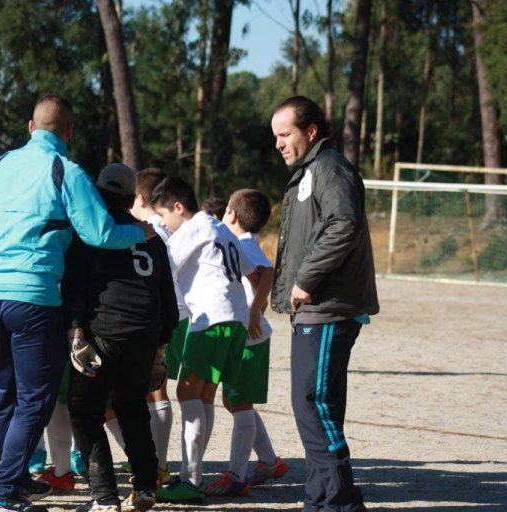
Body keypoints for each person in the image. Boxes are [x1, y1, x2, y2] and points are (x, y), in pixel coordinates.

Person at [0, 95, 156, 512]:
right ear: (69, 133)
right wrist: (140, 234)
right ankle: (3, 498)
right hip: (34, 297)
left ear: (29, 126)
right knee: (37, 400)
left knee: (10, 397)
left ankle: (14, 485)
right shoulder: (66, 170)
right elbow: (100, 233)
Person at [270, 95, 379, 512]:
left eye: (285, 134)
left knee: (312, 401)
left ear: (310, 131)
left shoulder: (329, 168)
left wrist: (304, 279)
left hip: (328, 305)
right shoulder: (310, 170)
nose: (278, 143)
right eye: (275, 136)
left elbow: (344, 225)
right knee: (317, 402)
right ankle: (319, 497)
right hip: (316, 307)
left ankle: (341, 500)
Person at [63, 163, 178, 512]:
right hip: (144, 332)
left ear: (98, 193)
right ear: (131, 198)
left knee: (85, 411)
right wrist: (161, 343)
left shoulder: (93, 231)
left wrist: (75, 328)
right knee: (132, 409)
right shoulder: (150, 236)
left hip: (104, 331)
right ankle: (144, 486)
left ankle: (103, 496)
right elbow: (166, 296)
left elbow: (77, 286)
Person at [151, 177, 272, 503]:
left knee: (187, 391)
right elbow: (256, 274)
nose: (164, 223)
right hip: (232, 320)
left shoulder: (193, 228)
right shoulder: (221, 229)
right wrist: (253, 311)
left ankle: (191, 479)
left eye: (164, 216)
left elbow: (162, 267)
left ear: (178, 207)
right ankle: (193, 474)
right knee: (202, 396)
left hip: (211, 320)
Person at [206, 188, 289, 497]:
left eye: (226, 207)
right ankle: (269, 462)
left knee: (238, 402)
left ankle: (236, 476)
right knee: (235, 401)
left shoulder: (240, 242)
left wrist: (255, 310)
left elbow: (267, 272)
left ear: (233, 215)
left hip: (249, 338)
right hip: (246, 335)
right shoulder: (242, 242)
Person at [128, 167, 184, 484]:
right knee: (155, 393)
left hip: (149, 319)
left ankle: (154, 466)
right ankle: (156, 465)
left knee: (152, 393)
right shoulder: (171, 229)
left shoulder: (143, 230)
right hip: (171, 316)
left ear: (140, 197)